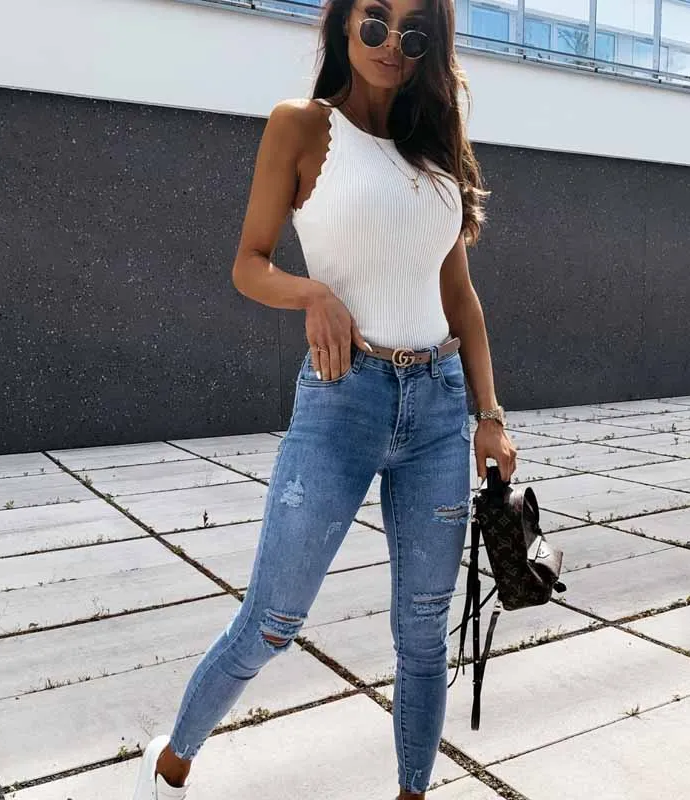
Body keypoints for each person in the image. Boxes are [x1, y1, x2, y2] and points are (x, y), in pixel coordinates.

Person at [133, 0, 517, 796]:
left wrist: (489, 415)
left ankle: (413, 791)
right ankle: (170, 765)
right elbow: (249, 262)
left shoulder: (434, 149)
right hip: (345, 398)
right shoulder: (302, 127)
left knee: (423, 634)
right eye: (375, 21)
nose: (391, 43)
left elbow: (462, 298)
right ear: (345, 23)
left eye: (414, 32)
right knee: (272, 619)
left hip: (439, 406)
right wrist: (312, 294)